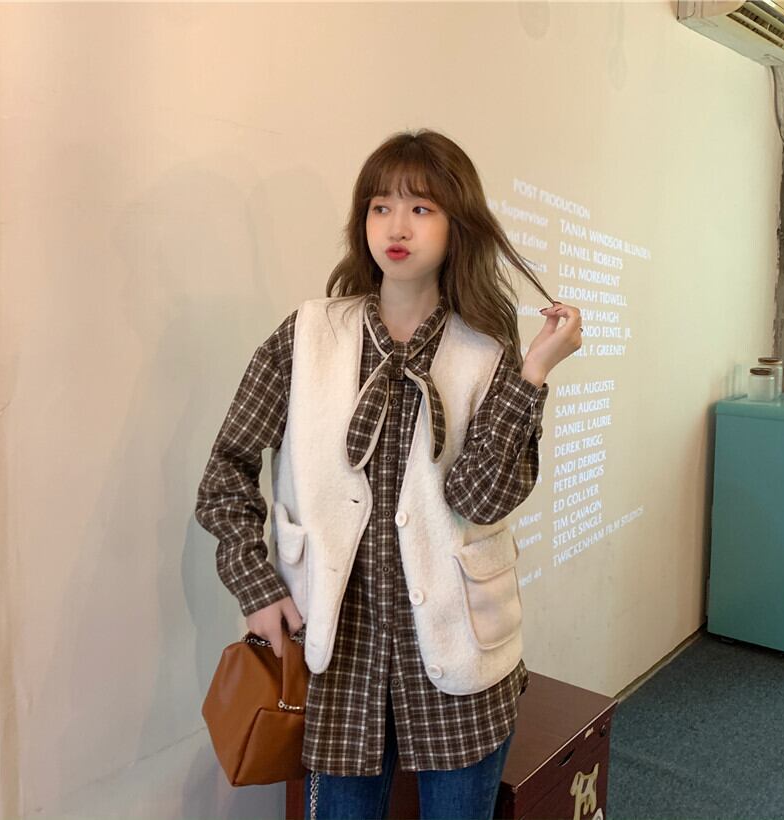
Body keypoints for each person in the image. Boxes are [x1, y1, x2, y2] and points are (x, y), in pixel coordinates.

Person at [195, 128, 581, 820]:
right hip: (336, 654)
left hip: (460, 656)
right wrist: (256, 587)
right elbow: (226, 472)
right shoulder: (307, 335)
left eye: (421, 208)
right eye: (381, 207)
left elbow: (478, 497)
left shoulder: (486, 350)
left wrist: (532, 374)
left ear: (457, 224)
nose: (396, 227)